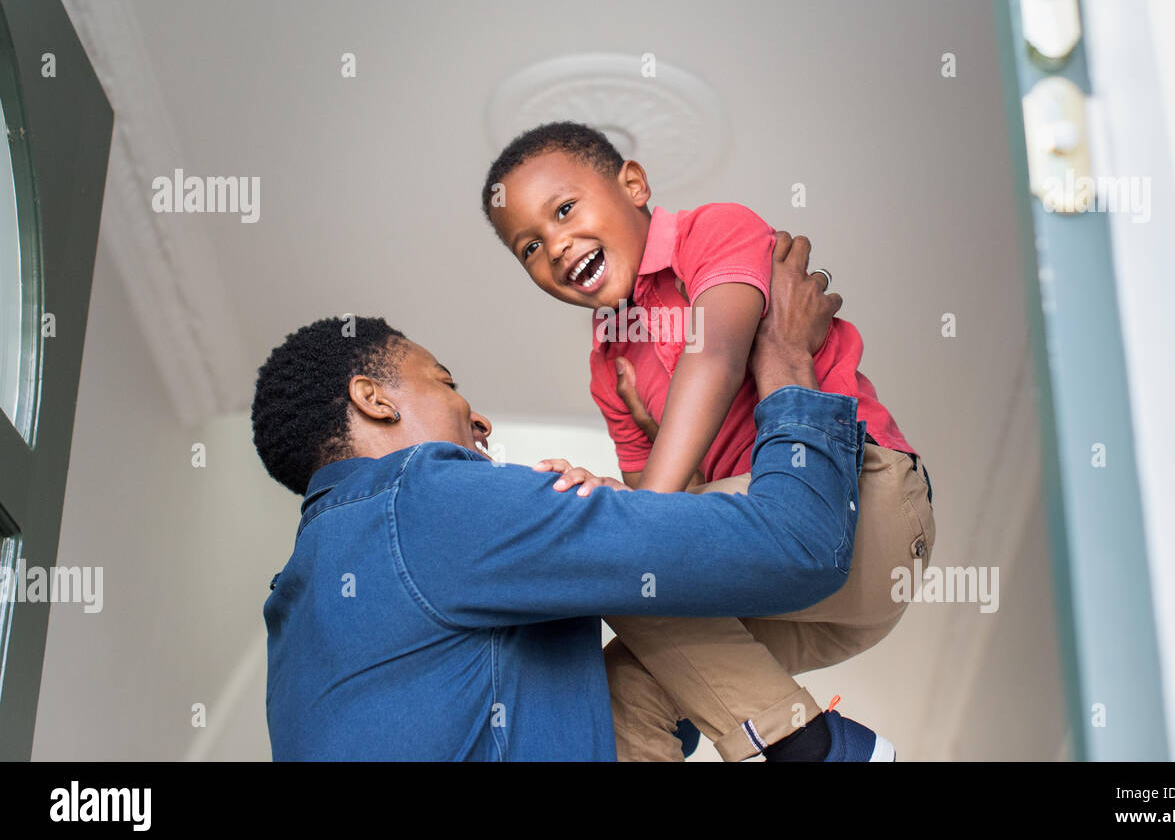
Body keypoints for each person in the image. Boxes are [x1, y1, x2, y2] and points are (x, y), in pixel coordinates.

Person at [253, 233, 890, 760]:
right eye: (446, 385)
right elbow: (798, 541)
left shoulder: (296, 622)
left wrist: (665, 462)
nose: (481, 423)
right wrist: (784, 358)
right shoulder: (427, 500)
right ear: (374, 399)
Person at [481, 121, 936, 761]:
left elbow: (715, 355)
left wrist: (625, 514)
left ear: (634, 185)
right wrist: (634, 488)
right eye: (528, 247)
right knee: (626, 690)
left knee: (607, 548)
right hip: (803, 602)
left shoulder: (712, 231)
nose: (555, 246)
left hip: (866, 509)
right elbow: (674, 537)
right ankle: (814, 744)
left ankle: (818, 751)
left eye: (564, 210)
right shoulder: (610, 365)